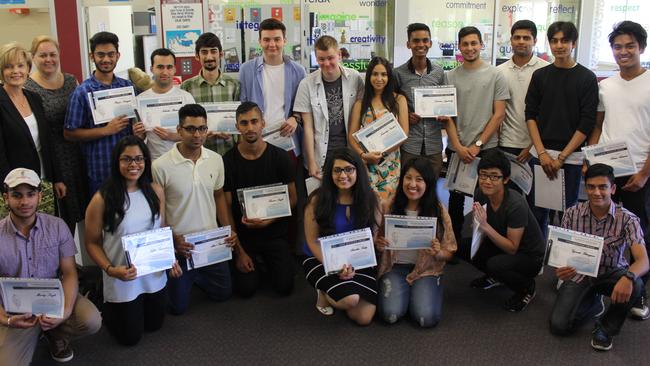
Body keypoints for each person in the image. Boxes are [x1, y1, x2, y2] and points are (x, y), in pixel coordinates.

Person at [85, 136, 181, 346]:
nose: (133, 164)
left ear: (146, 161)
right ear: (116, 162)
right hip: (122, 276)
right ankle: (104, 303)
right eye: (126, 159)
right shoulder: (102, 198)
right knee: (130, 338)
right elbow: (91, 242)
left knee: (155, 325)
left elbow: (161, 229)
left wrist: (170, 258)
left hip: (153, 271)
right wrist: (110, 270)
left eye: (139, 158)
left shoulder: (155, 191)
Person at [0, 168, 101, 364]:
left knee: (91, 320)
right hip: (15, 311)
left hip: (52, 300)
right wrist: (7, 320)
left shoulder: (57, 226)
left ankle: (55, 334)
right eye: (17, 195)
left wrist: (63, 312)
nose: (24, 202)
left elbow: (70, 273)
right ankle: (33, 332)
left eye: (30, 194)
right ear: (6, 198)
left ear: (39, 196)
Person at [586, 21, 650, 320]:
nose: (623, 52)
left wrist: (645, 174)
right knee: (604, 228)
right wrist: (591, 159)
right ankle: (601, 283)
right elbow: (598, 126)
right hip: (608, 170)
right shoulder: (606, 85)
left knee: (639, 232)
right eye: (617, 47)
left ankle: (638, 290)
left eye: (629, 46)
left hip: (639, 170)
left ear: (641, 48)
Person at [549, 164, 649, 351]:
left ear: (612, 189)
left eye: (602, 187)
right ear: (585, 188)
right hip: (579, 273)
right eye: (591, 187)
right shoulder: (572, 213)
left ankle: (605, 328)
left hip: (612, 273)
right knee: (559, 326)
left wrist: (628, 277)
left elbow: (644, 260)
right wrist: (561, 269)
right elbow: (562, 252)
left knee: (635, 284)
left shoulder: (628, 219)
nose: (597, 192)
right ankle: (594, 302)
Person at [152, 104, 236, 315]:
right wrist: (172, 240)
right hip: (182, 246)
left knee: (224, 294)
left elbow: (218, 197)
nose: (197, 134)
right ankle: (189, 277)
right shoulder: (160, 166)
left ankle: (197, 276)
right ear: (179, 130)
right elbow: (158, 214)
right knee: (177, 308)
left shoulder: (216, 160)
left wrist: (228, 230)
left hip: (211, 242)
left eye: (202, 128)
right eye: (190, 129)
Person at [525, 21, 598, 234]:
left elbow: (587, 122)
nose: (559, 45)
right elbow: (530, 115)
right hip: (541, 155)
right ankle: (538, 258)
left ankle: (565, 261)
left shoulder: (586, 78)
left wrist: (561, 158)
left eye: (564, 40)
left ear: (573, 43)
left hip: (571, 158)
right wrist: (542, 153)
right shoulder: (540, 76)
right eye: (554, 41)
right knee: (538, 210)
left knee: (569, 212)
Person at [223, 101, 297, 297]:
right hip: (244, 236)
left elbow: (293, 199)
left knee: (285, 287)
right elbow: (227, 208)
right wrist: (238, 251)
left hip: (274, 233)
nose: (250, 127)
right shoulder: (227, 161)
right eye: (244, 123)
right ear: (237, 127)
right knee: (246, 290)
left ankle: (268, 263)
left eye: (254, 121)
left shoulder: (280, 157)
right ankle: (255, 262)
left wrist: (269, 221)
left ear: (263, 123)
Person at [457, 149, 545, 312]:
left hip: (529, 256)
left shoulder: (515, 204)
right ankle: (495, 277)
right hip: (500, 241)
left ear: (505, 179)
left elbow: (512, 248)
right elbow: (481, 229)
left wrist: (484, 226)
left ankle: (526, 287)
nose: (487, 181)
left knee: (495, 264)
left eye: (494, 176)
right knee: (462, 246)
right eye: (483, 175)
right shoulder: (480, 193)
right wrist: (478, 228)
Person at [443, 26, 509, 239]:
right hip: (458, 148)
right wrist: (458, 146)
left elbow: (498, 114)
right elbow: (447, 116)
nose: (470, 48)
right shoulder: (449, 76)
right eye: (465, 44)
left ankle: (483, 242)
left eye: (474, 43)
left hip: (486, 148)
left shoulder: (496, 75)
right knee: (455, 199)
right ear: (459, 47)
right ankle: (455, 243)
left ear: (481, 45)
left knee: (485, 197)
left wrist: (477, 145)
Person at [375, 157, 456, 327]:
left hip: (426, 270)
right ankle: (410, 294)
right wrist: (379, 244)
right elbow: (377, 241)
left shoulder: (439, 211)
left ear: (428, 183)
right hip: (394, 268)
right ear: (402, 179)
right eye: (408, 177)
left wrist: (438, 252)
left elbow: (450, 251)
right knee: (390, 315)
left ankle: (429, 288)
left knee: (425, 319)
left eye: (419, 179)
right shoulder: (389, 205)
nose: (412, 184)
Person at [303, 148, 380, 325]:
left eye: (349, 169)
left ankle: (339, 293)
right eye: (337, 170)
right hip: (320, 259)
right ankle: (323, 292)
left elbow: (374, 236)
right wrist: (336, 267)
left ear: (357, 171)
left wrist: (354, 264)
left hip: (357, 261)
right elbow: (311, 241)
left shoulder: (371, 199)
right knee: (351, 300)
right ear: (329, 173)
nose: (342, 175)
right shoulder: (317, 200)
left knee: (364, 318)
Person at [64, 31, 146, 195]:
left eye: (111, 54)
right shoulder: (82, 92)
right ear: (92, 56)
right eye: (100, 55)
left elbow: (138, 128)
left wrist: (140, 133)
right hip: (100, 171)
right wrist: (105, 130)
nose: (106, 59)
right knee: (103, 218)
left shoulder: (129, 88)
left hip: (131, 170)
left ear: (118, 55)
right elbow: (69, 133)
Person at [24, 35, 88, 233]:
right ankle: (60, 261)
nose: (48, 59)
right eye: (42, 55)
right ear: (33, 57)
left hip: (78, 152)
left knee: (84, 208)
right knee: (59, 216)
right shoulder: (27, 87)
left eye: (53, 54)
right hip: (51, 157)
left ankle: (79, 261)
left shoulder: (71, 81)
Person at [0, 42, 65, 219]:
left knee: (44, 234)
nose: (16, 71)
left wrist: (57, 178)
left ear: (28, 68)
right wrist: (7, 189)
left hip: (42, 182)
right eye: (9, 67)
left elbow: (47, 142)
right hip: (16, 189)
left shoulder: (34, 98)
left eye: (21, 66)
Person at [294, 35, 364, 180]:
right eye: (321, 59)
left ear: (339, 55)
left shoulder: (355, 78)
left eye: (330, 58)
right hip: (321, 154)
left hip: (349, 151)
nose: (326, 63)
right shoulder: (306, 84)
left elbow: (363, 116)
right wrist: (312, 162)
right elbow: (307, 127)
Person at [239, 18, 306, 152]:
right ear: (260, 42)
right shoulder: (246, 70)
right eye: (266, 40)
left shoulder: (298, 71)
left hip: (288, 141)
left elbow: (303, 106)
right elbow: (243, 105)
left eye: (277, 39)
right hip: (257, 142)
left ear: (284, 41)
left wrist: (295, 119)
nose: (272, 44)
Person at [348, 56, 409, 202]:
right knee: (367, 204)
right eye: (375, 74)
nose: (379, 78)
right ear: (369, 76)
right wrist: (363, 155)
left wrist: (382, 153)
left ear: (389, 77)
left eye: (384, 74)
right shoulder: (360, 104)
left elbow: (404, 133)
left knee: (388, 204)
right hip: (366, 163)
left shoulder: (399, 100)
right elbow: (351, 136)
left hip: (390, 164)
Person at [394, 23, 445, 178]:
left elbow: (443, 101)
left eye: (425, 40)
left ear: (430, 43)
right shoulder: (398, 74)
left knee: (431, 189)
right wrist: (406, 115)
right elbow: (391, 106)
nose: (421, 45)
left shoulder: (439, 72)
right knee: (408, 187)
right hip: (409, 145)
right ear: (408, 44)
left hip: (433, 144)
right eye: (416, 41)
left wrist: (443, 112)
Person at [496, 20, 549, 162]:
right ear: (511, 41)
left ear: (535, 41)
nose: (521, 41)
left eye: (526, 38)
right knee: (508, 184)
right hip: (506, 144)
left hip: (540, 146)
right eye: (517, 37)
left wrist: (533, 147)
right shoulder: (499, 72)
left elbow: (550, 114)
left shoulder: (547, 70)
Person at [181, 32, 239, 155]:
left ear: (221, 54)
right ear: (197, 56)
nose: (209, 57)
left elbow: (240, 120)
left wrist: (231, 134)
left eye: (213, 51)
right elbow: (183, 123)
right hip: (199, 154)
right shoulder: (186, 87)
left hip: (229, 152)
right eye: (204, 52)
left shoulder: (234, 85)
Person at [138, 48, 195, 160]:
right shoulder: (140, 100)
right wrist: (138, 134)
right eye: (160, 67)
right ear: (151, 69)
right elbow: (141, 138)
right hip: (154, 162)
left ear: (174, 69)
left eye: (169, 67)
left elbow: (196, 133)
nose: (165, 72)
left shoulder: (186, 98)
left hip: (183, 161)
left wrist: (173, 136)